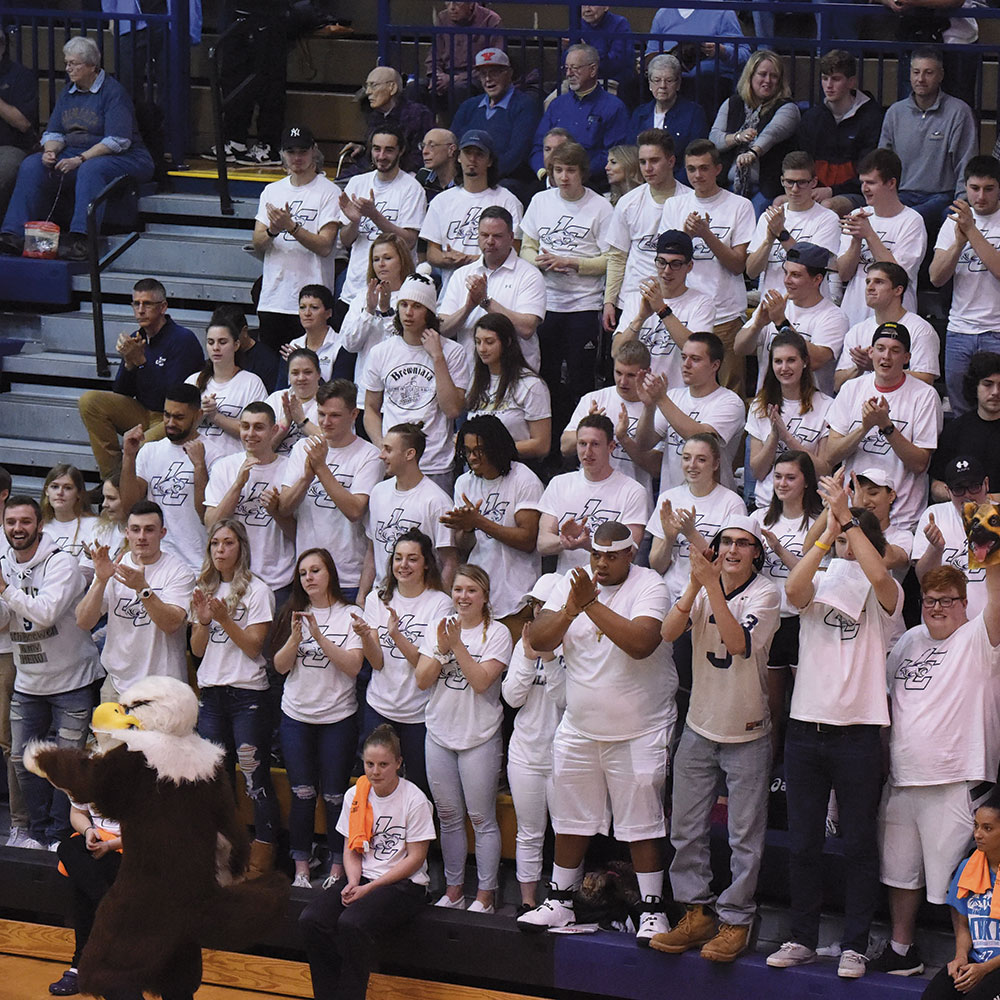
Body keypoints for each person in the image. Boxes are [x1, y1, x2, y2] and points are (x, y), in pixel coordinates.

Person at [767, 476, 903, 979]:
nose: (844, 545)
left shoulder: (884, 589)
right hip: (806, 729)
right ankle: (802, 937)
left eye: (851, 537)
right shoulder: (819, 578)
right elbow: (794, 587)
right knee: (802, 842)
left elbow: (878, 573)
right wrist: (829, 527)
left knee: (859, 844)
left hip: (860, 732)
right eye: (839, 538)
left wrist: (848, 518)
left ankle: (854, 944)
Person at [517, 521, 674, 945]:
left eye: (611, 556)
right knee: (569, 816)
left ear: (630, 554)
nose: (601, 563)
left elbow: (643, 642)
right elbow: (538, 641)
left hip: (640, 726)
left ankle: (653, 910)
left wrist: (589, 605)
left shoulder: (651, 585)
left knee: (641, 821)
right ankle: (560, 900)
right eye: (596, 555)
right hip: (581, 725)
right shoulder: (572, 584)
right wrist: (571, 607)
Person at [655, 518, 780, 962]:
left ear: (755, 553)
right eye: (724, 541)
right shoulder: (703, 585)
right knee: (685, 828)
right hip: (699, 726)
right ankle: (697, 913)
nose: (731, 549)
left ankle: (737, 920)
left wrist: (709, 587)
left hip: (748, 731)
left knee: (745, 836)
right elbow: (668, 635)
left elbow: (737, 641)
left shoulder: (766, 593)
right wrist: (694, 586)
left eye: (742, 544)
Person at [869, 561, 1000, 977]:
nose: (937, 608)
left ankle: (975, 960)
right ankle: (902, 949)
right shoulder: (908, 641)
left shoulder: (979, 636)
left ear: (965, 604)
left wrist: (992, 554)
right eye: (930, 601)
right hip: (903, 778)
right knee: (899, 872)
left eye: (947, 601)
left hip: (956, 779)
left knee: (963, 880)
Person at [298, 724, 435, 1000]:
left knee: (352, 923)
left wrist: (368, 890)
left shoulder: (415, 800)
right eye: (369, 764)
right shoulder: (355, 795)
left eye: (383, 764)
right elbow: (351, 849)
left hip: (404, 885)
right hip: (362, 878)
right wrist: (352, 882)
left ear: (398, 763)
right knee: (310, 920)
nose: (375, 771)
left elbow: (416, 858)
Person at [0, 496, 102, 850]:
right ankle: (35, 834)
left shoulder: (62, 563)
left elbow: (44, 612)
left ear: (39, 524)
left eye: (25, 521)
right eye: (11, 522)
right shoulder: (4, 565)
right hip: (28, 681)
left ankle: (62, 836)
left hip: (71, 680)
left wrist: (5, 590)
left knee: (68, 765)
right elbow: (3, 620)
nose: (17, 529)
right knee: (19, 759)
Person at [0, 35, 153, 261]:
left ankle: (82, 239)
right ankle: (12, 234)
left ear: (92, 66)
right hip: (79, 152)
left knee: (91, 169)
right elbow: (54, 132)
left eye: (74, 63)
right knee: (33, 164)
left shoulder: (113, 93)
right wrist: (51, 150)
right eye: (66, 63)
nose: (68, 68)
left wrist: (80, 159)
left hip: (125, 156)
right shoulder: (68, 92)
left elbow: (118, 141)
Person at [416, 564, 513, 913]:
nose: (463, 597)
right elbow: (422, 680)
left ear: (485, 596)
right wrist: (442, 649)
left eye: (471, 590)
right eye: (458, 590)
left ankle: (486, 895)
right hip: (439, 732)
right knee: (447, 815)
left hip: (480, 736)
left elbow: (481, 681)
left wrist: (456, 647)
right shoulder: (437, 628)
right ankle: (455, 890)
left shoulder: (498, 633)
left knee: (482, 817)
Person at [191, 517, 279, 878]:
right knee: (216, 778)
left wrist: (225, 620)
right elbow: (197, 651)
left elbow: (254, 646)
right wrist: (203, 621)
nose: (221, 550)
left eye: (228, 543)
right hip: (211, 693)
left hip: (247, 695)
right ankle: (222, 851)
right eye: (215, 544)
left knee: (253, 776)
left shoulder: (258, 590)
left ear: (241, 547)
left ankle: (265, 854)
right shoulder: (202, 587)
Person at [272, 548, 364, 889]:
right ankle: (301, 869)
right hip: (296, 716)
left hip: (338, 718)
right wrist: (296, 639)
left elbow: (354, 666)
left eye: (316, 570)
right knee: (302, 793)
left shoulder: (350, 614)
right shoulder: (292, 613)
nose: (309, 577)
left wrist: (319, 636)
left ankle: (339, 867)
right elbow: (280, 667)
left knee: (336, 796)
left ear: (330, 575)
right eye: (303, 572)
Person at [521, 140, 614, 439]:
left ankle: (581, 441)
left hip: (583, 305)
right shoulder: (540, 202)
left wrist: (573, 263)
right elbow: (527, 246)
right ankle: (550, 441)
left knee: (580, 378)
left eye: (570, 170)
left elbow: (608, 260)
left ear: (582, 173)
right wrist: (540, 262)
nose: (563, 177)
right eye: (558, 170)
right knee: (545, 375)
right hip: (545, 303)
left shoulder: (600, 207)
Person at [354, 530, 453, 795]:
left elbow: (424, 667)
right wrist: (365, 637)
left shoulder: (440, 604)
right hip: (379, 705)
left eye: (412, 559)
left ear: (426, 563)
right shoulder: (378, 598)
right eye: (398, 558)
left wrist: (396, 635)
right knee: (376, 785)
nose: (403, 565)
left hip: (418, 713)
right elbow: (376, 662)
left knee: (419, 787)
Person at [77, 277, 203, 481]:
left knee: (139, 446)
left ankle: (120, 481)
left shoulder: (182, 339)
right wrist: (129, 364)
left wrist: (142, 362)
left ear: (163, 307)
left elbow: (174, 396)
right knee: (90, 401)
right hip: (142, 411)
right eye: (136, 303)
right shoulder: (137, 337)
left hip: (171, 416)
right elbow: (120, 393)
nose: (140, 310)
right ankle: (112, 480)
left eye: (147, 304)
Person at [824, 322, 943, 531]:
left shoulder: (925, 396)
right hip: (852, 514)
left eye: (895, 350)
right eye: (880, 349)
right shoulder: (851, 389)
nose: (886, 356)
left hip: (902, 519)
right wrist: (864, 428)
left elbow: (919, 464)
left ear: (907, 358)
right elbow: (830, 455)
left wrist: (886, 426)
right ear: (870, 352)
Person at [661, 139, 756, 395]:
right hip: (686, 311)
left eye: (704, 168)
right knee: (684, 386)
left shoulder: (740, 206)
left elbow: (738, 265)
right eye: (691, 169)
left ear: (718, 169)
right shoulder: (674, 205)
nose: (697, 175)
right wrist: (686, 236)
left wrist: (707, 234)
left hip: (725, 312)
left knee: (729, 389)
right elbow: (666, 260)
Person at [361, 268, 470, 490]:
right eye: (403, 304)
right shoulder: (380, 352)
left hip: (435, 464)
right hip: (393, 465)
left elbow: (452, 410)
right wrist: (383, 445)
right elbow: (371, 409)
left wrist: (437, 357)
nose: (408, 312)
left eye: (417, 306)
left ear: (429, 312)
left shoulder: (453, 352)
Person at [74, 500, 194, 696]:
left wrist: (142, 588)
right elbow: (83, 621)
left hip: (163, 686)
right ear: (126, 533)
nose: (142, 537)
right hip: (117, 683)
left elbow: (172, 624)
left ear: (162, 533)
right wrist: (101, 581)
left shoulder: (179, 572)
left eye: (149, 530)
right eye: (136, 530)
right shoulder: (112, 566)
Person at [748, 450, 824, 757]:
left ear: (806, 482)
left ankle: (798, 768)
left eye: (790, 477)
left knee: (803, 704)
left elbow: (814, 578)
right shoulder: (758, 519)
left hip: (802, 620)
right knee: (771, 707)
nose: (782, 483)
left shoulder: (818, 523)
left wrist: (779, 550)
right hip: (767, 621)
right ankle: (768, 771)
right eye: (777, 477)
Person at [279, 380, 382, 602]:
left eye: (334, 415)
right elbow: (285, 507)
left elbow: (355, 511)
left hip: (347, 576)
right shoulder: (301, 449)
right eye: (321, 414)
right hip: (307, 573)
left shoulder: (369, 455)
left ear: (354, 414)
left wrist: (321, 468)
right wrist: (307, 477)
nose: (326, 422)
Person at [502, 575, 566, 913]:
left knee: (566, 833)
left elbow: (566, 699)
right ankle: (527, 902)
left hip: (565, 756)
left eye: (546, 605)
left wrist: (551, 657)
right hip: (526, 752)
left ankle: (561, 900)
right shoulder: (522, 643)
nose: (539, 611)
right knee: (528, 832)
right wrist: (528, 657)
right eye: (536, 605)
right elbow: (511, 698)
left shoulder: (575, 642)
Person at [443, 416, 544, 625]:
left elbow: (528, 540)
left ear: (496, 447)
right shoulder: (464, 483)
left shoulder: (524, 479)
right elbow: (463, 546)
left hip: (518, 598)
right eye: (468, 451)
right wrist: (468, 528)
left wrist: (479, 521)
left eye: (479, 450)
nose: (472, 457)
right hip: (477, 599)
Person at [251, 126, 341, 354]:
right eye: (291, 151)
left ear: (314, 151)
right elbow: (258, 241)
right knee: (273, 372)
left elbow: (325, 245)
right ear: (283, 154)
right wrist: (273, 229)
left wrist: (291, 226)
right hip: (274, 298)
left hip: (313, 301)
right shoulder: (271, 191)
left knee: (308, 370)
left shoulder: (329, 191)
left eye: (302, 151)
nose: (297, 158)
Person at [204, 401, 296, 604]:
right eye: (245, 426)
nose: (250, 433)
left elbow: (299, 533)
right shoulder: (224, 467)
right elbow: (211, 525)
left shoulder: (290, 468)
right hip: (233, 578)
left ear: (273, 431)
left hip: (279, 579)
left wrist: (275, 511)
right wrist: (238, 485)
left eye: (259, 427)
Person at [930, 155, 1000, 417]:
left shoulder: (968, 223)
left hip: (997, 330)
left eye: (989, 189)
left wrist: (971, 231)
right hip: (960, 329)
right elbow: (936, 277)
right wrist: (958, 243)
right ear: (965, 187)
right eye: (974, 188)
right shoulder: (953, 223)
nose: (980, 196)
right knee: (960, 409)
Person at [603, 130, 691, 336]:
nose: (648, 168)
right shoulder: (628, 203)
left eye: (654, 161)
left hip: (676, 299)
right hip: (633, 298)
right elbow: (617, 257)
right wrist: (609, 301)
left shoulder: (689, 201)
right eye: (642, 162)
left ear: (671, 161)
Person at [633, 332, 746, 493]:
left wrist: (661, 400)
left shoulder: (730, 402)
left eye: (695, 359)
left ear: (715, 365)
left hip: (714, 501)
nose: (686, 364)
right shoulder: (673, 396)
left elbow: (703, 440)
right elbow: (643, 444)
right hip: (672, 498)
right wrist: (649, 407)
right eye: (684, 357)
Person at [879, 48, 977, 232]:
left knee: (912, 217)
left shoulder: (959, 112)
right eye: (916, 72)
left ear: (941, 75)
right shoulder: (894, 112)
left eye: (928, 72)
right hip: (901, 194)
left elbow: (966, 162)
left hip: (941, 196)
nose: (920, 79)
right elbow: (882, 161)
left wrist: (962, 203)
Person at [537, 413, 650, 574]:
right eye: (582, 444)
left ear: (611, 447)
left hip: (613, 586)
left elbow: (630, 552)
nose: (587, 452)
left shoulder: (633, 490)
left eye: (595, 444)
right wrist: (566, 542)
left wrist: (587, 544)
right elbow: (542, 543)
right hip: (565, 582)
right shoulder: (559, 484)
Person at [438, 206, 547, 372]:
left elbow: (527, 329)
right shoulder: (461, 274)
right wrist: (469, 307)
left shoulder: (529, 275)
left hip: (515, 374)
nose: (489, 241)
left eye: (497, 236)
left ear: (511, 237)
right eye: (484, 235)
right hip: (470, 374)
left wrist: (485, 302)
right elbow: (444, 328)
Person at [336, 126, 427, 322]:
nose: (381, 155)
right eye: (377, 149)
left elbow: (409, 241)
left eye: (389, 150)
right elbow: (345, 240)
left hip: (396, 294)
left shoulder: (412, 188)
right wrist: (354, 221)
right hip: (355, 288)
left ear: (400, 151)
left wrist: (375, 216)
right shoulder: (357, 183)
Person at [419, 129, 524, 298]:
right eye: (467, 153)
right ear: (458, 157)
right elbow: (432, 253)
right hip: (452, 292)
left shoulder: (508, 201)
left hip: (497, 290)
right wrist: (448, 259)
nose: (472, 159)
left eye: (479, 154)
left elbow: (515, 251)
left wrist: (472, 260)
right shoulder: (441, 201)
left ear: (489, 161)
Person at [736, 241, 848, 396]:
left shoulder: (833, 316)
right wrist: (757, 325)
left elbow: (815, 361)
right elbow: (740, 348)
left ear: (817, 279)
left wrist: (782, 322)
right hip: (767, 400)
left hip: (810, 407)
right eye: (785, 272)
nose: (787, 280)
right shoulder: (776, 305)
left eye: (795, 275)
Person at [119, 383, 209, 575]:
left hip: (196, 563)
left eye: (179, 417)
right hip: (155, 562)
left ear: (198, 415)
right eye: (167, 415)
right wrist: (128, 456)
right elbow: (129, 506)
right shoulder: (150, 451)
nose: (170, 422)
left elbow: (206, 515)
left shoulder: (215, 453)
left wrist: (200, 467)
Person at [648, 432, 747, 605]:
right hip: (670, 594)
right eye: (686, 458)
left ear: (715, 464)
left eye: (701, 459)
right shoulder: (668, 498)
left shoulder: (732, 503)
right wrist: (669, 539)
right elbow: (656, 565)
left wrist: (691, 533)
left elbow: (729, 565)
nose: (692, 465)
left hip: (710, 596)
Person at [919, 794, 1000, 999]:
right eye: (976, 826)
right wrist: (961, 957)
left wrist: (985, 969)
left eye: (987, 828)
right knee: (934, 996)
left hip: (995, 966)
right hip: (976, 961)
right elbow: (964, 925)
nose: (978, 835)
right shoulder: (968, 867)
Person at [835, 148, 927, 328]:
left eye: (871, 182)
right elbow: (844, 274)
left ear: (891, 183)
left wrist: (869, 235)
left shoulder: (912, 221)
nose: (864, 189)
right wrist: (856, 240)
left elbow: (899, 276)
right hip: (854, 317)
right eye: (862, 182)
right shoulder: (857, 215)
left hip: (894, 323)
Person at [611, 228, 714, 385]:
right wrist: (640, 318)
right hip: (638, 394)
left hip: (678, 396)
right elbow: (616, 352)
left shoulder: (702, 303)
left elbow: (695, 351)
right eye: (662, 262)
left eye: (676, 264)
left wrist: (662, 310)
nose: (667, 271)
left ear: (689, 266)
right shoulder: (635, 299)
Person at [744, 332, 834, 511]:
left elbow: (823, 470)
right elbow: (758, 472)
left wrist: (788, 438)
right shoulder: (759, 406)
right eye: (778, 361)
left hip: (810, 507)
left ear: (805, 361)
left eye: (791, 360)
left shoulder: (827, 405)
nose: (784, 368)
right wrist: (774, 437)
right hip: (767, 504)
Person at [365, 424, 458, 595]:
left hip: (421, 598)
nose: (381, 455)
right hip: (381, 596)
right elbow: (372, 550)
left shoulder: (437, 501)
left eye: (388, 450)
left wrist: (439, 601)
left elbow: (449, 561)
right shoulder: (378, 492)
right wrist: (362, 596)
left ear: (410, 454)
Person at [561, 341, 661, 502]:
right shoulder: (594, 399)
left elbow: (656, 468)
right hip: (589, 495)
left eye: (630, 375)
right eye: (618, 373)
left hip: (633, 498)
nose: (622, 382)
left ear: (647, 372)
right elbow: (565, 447)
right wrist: (589, 427)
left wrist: (624, 439)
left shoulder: (657, 407)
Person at [48, 796, 122, 998]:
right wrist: (89, 831)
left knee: (85, 874)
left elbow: (149, 831)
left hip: (135, 847)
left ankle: (79, 966)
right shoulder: (85, 770)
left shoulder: (140, 770)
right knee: (68, 849)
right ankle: (108, 907)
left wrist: (109, 846)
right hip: (100, 841)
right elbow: (77, 813)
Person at [710, 50, 800, 216]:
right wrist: (737, 137)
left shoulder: (787, 108)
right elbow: (714, 139)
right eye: (762, 74)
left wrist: (752, 152)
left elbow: (771, 134)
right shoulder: (732, 103)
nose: (768, 80)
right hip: (727, 184)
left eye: (774, 76)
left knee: (755, 214)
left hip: (765, 188)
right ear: (750, 76)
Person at [794, 50, 884, 217]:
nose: (829, 85)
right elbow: (802, 162)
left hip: (857, 193)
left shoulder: (872, 118)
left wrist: (830, 191)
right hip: (815, 190)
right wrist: (807, 188)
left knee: (828, 206)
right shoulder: (812, 118)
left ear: (851, 82)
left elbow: (868, 171)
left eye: (836, 79)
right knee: (779, 203)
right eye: (824, 78)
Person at [529, 44, 629, 185]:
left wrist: (575, 173)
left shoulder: (614, 107)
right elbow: (538, 146)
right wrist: (545, 173)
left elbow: (614, 153)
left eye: (575, 68)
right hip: (551, 182)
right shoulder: (557, 104)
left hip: (593, 184)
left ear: (593, 69)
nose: (569, 73)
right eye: (566, 68)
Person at [746, 152, 841, 299]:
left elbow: (812, 266)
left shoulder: (828, 218)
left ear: (814, 182)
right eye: (789, 182)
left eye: (802, 182)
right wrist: (768, 240)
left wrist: (781, 233)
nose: (795, 189)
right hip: (772, 306)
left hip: (810, 309)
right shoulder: (768, 218)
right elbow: (752, 272)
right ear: (782, 181)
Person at [835, 261, 941, 391]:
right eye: (868, 282)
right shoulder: (857, 330)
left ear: (898, 290)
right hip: (861, 402)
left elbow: (926, 380)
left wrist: (875, 365)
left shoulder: (920, 329)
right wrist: (859, 368)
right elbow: (837, 384)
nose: (870, 287)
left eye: (879, 282)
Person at [449, 48, 542, 190]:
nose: (488, 79)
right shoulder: (469, 106)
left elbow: (517, 155)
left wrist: (484, 179)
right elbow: (453, 143)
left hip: (506, 181)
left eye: (494, 72)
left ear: (509, 74)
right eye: (483, 74)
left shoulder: (525, 106)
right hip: (470, 178)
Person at [465, 314, 552, 460]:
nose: (482, 349)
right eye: (478, 342)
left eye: (489, 342)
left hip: (515, 467)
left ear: (507, 342)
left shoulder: (531, 384)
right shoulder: (476, 380)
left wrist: (489, 448)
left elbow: (541, 445)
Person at [913, 455, 990, 618]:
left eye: (974, 487)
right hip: (946, 626)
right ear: (948, 490)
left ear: (986, 485)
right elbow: (924, 580)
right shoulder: (934, 515)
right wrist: (935, 548)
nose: (967, 495)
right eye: (959, 489)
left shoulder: (996, 517)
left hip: (991, 628)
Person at [185, 312, 267, 464]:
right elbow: (180, 427)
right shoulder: (193, 380)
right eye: (210, 342)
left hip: (234, 462)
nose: (216, 348)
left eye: (222, 342)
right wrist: (200, 413)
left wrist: (215, 416)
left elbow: (256, 431)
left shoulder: (251, 382)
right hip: (194, 459)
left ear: (236, 345)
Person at [644, 5, 750, 113]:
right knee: (639, 85)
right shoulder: (663, 13)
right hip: (670, 78)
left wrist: (722, 51)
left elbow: (744, 54)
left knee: (701, 85)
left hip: (707, 81)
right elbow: (651, 53)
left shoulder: (722, 11)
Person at [339, 233, 415, 384]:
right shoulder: (362, 297)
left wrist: (387, 312)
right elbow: (349, 344)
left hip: (402, 382)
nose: (381, 264)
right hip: (366, 385)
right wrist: (369, 311)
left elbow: (408, 343)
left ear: (402, 259)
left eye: (387, 258)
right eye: (376, 259)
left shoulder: (414, 295)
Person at [930, 352, 1000, 501]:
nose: (995, 392)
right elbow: (936, 486)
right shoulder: (955, 430)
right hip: (960, 515)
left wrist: (984, 500)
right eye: (988, 384)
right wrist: (963, 496)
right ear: (975, 386)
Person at [628, 55, 707, 184]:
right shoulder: (639, 113)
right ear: (649, 83)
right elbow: (631, 153)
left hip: (680, 186)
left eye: (669, 80)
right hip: (642, 183)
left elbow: (695, 155)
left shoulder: (693, 113)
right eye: (657, 80)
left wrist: (672, 186)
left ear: (678, 84)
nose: (662, 86)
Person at [351, 67, 433, 177]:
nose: (368, 92)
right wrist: (362, 150)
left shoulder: (419, 114)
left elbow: (420, 156)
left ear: (392, 88)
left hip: (403, 176)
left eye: (373, 85)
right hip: (372, 172)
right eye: (367, 86)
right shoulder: (374, 115)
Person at [422, 1, 503, 107]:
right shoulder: (442, 18)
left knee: (459, 89)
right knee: (414, 88)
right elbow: (434, 55)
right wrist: (436, 75)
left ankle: (460, 123)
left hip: (475, 77)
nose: (451, 7)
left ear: (471, 3)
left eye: (457, 2)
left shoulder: (490, 20)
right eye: (448, 2)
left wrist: (454, 79)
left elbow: (494, 63)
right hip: (445, 74)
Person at [0, 25, 37, 219]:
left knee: (2, 172)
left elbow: (22, 123)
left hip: (10, 146)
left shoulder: (21, 76)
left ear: (2, 47)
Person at [40, 464, 100, 582]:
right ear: (47, 491)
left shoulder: (95, 525)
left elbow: (88, 574)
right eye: (55, 487)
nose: (60, 492)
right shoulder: (40, 527)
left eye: (68, 488)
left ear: (78, 493)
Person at [279, 284, 349, 384]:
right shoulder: (293, 345)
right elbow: (281, 389)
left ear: (328, 313)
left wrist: (306, 362)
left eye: (314, 307)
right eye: (302, 307)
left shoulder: (341, 345)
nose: (307, 313)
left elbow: (338, 393)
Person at [212, 303, 280, 395]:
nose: (218, 347)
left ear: (244, 331)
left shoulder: (267, 361)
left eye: (224, 341)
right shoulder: (217, 355)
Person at [267, 347, 322, 456]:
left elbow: (334, 445)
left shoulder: (330, 402)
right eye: (295, 373)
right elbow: (263, 449)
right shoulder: (276, 399)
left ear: (319, 374)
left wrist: (302, 421)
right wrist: (286, 422)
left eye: (308, 372)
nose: (301, 378)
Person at [416, 127, 458, 201]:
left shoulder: (464, 182)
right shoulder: (423, 176)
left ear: (451, 150)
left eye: (432, 146)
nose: (424, 152)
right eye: (423, 146)